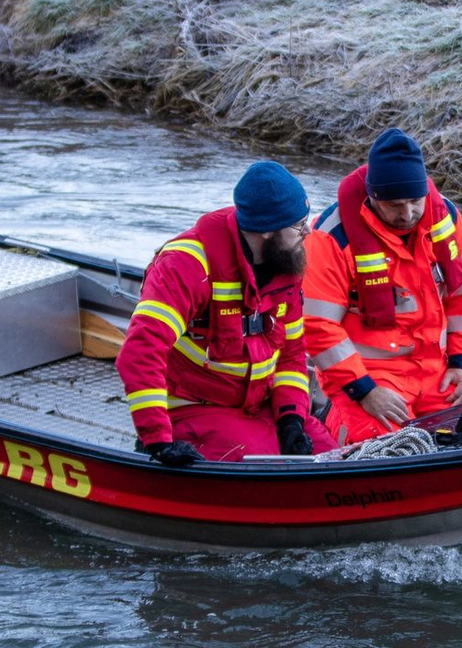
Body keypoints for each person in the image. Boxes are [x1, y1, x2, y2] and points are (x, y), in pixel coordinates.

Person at [117, 161, 337, 465]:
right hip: (194, 407)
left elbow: (291, 356)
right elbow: (140, 352)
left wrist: (291, 420)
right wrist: (158, 439)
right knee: (267, 468)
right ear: (267, 231)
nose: (307, 232)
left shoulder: (285, 264)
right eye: (299, 226)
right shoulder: (187, 265)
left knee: (330, 455)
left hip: (259, 403)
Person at [303, 128, 462, 443]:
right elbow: (318, 326)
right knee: (381, 445)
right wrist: (364, 391)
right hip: (368, 377)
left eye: (415, 201)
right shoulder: (330, 239)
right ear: (373, 197)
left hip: (438, 372)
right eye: (395, 205)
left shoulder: (446, 219)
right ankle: (329, 417)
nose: (408, 214)